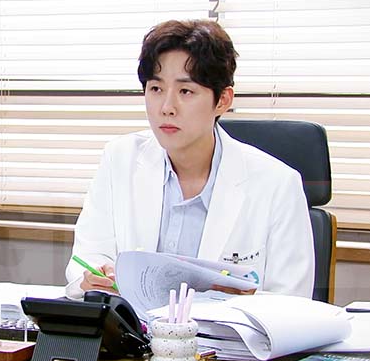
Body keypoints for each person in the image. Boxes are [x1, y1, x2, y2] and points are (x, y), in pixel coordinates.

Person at [65, 19, 314, 299]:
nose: (167, 107)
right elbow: (87, 257)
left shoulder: (278, 185)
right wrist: (97, 276)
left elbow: (291, 302)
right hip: (130, 326)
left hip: (225, 328)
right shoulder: (119, 159)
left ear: (223, 100)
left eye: (186, 91)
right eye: (156, 89)